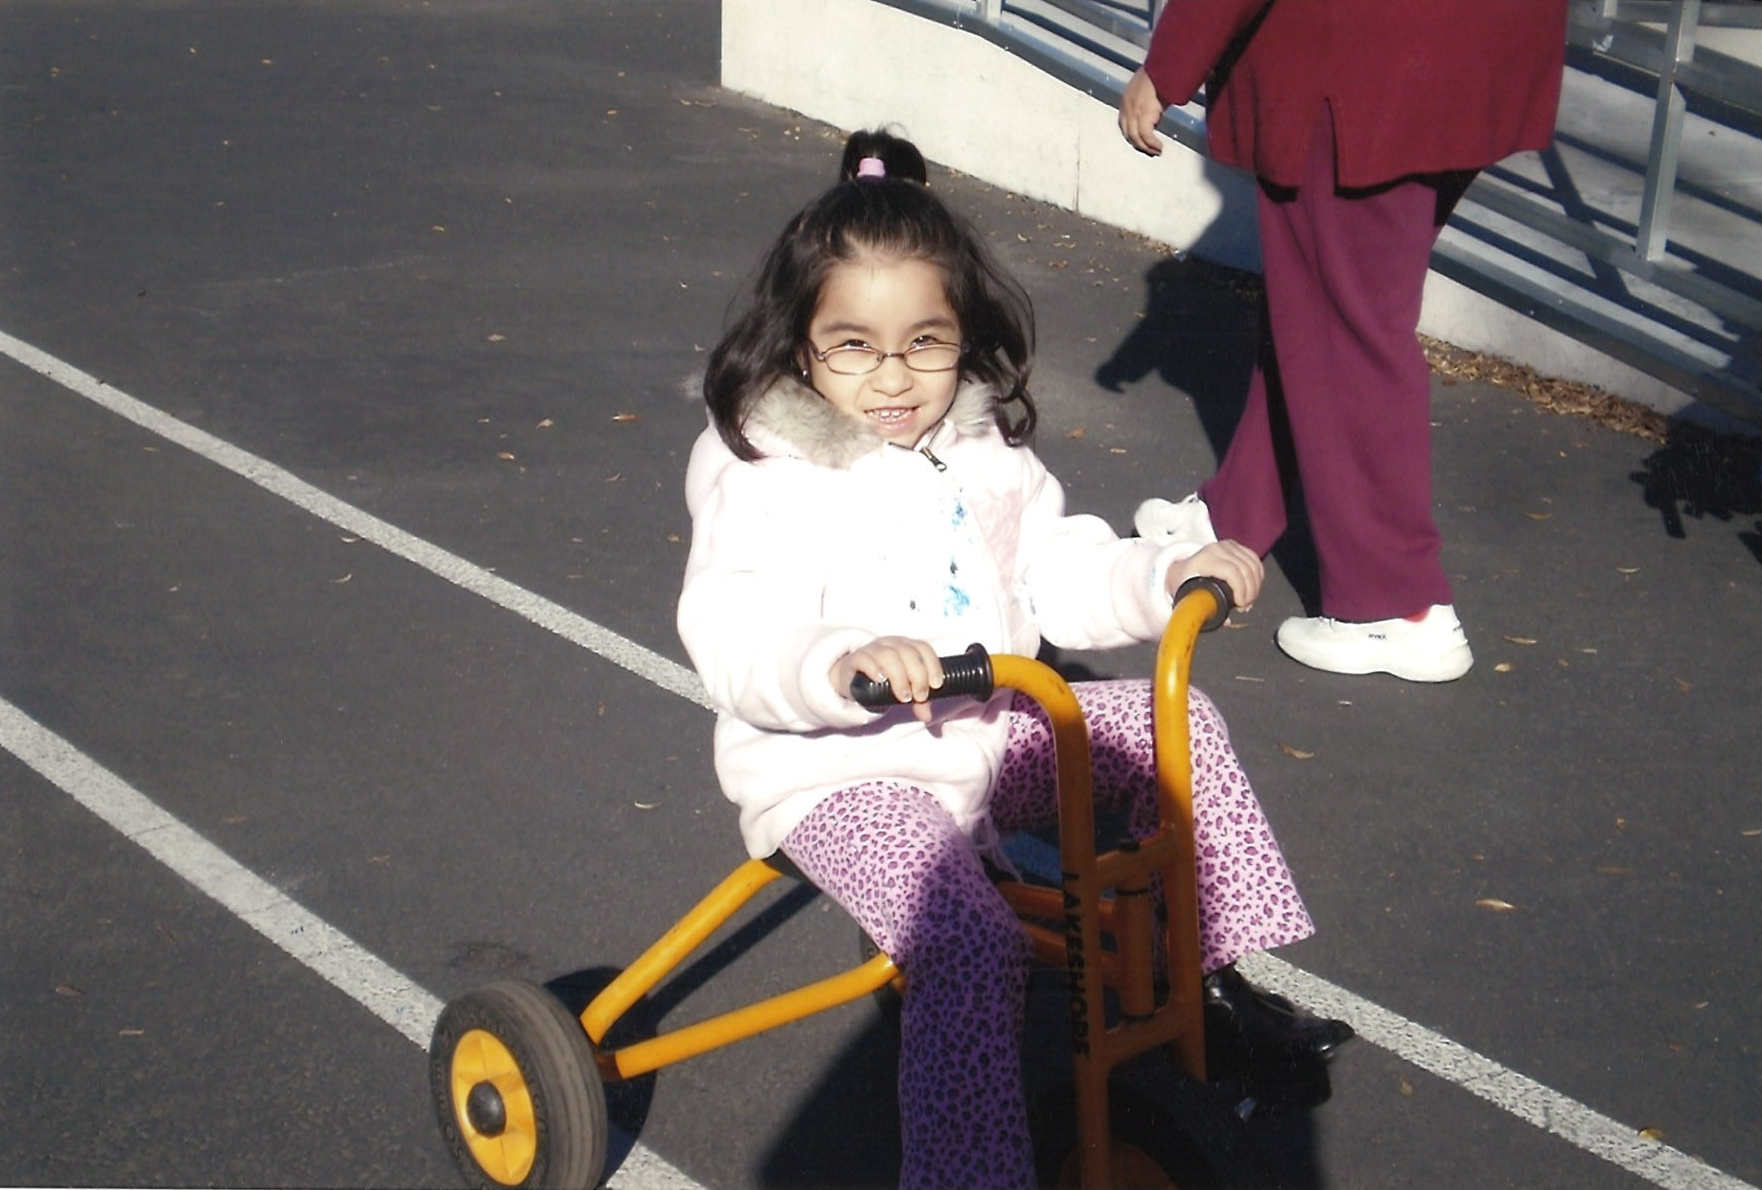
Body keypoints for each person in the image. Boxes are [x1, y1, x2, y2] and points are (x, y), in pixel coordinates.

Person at [677, 129, 1350, 1190]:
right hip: (839, 773)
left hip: (985, 736)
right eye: (854, 344)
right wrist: (840, 661)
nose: (894, 377)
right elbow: (734, 623)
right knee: (972, 944)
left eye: (924, 343)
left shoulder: (981, 446)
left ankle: (1209, 972)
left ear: (962, 336)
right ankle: (962, 1173)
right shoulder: (766, 467)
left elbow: (1054, 566)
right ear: (800, 341)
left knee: (1172, 729)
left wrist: (1163, 574)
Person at [1120, 0, 1569, 682]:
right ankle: (1237, 512)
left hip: (1360, 55)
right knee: (1323, 301)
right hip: (1467, 42)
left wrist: (1168, 64)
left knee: (1349, 326)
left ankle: (1399, 602)